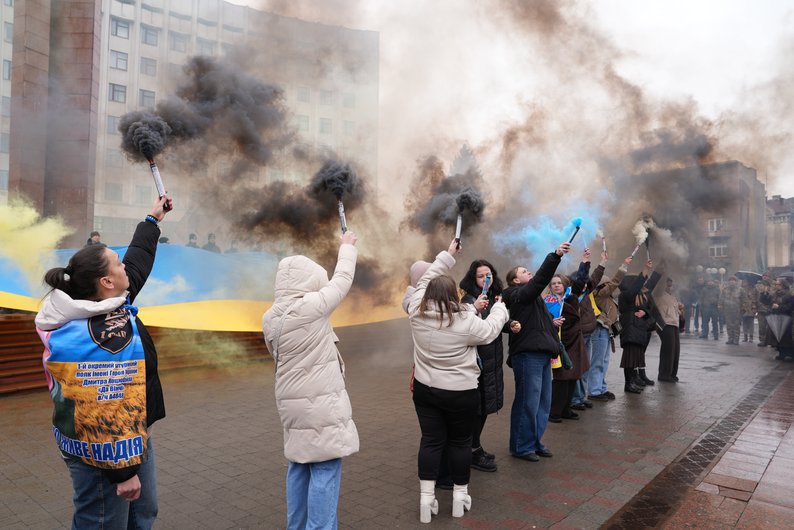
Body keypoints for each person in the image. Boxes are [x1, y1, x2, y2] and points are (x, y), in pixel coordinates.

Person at [35, 196, 171, 530]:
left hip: (131, 437)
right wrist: (122, 473)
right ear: (106, 282)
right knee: (102, 523)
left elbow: (136, 263)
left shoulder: (108, 303)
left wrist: (152, 219)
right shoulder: (90, 336)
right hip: (104, 453)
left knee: (143, 514)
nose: (125, 266)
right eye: (117, 264)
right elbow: (100, 406)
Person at [406, 240, 509, 523]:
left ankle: (427, 500)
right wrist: (500, 309)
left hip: (426, 391)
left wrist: (446, 256)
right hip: (461, 393)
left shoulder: (415, 311)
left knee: (431, 442)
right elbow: (489, 332)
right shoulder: (464, 322)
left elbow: (425, 280)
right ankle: (459, 497)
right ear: (454, 295)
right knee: (460, 443)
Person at [262, 229, 359, 530]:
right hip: (319, 404)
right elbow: (342, 280)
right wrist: (347, 248)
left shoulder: (270, 317)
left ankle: (297, 526)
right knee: (326, 466)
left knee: (300, 465)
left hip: (292, 405)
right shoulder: (312, 308)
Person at [503, 241, 571, 462]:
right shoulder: (517, 294)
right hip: (527, 355)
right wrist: (555, 256)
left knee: (543, 402)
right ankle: (521, 447)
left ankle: (534, 441)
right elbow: (540, 280)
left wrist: (553, 326)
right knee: (528, 402)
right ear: (515, 280)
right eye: (524, 271)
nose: (529, 272)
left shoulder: (534, 299)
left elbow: (541, 325)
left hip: (542, 355)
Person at [459, 259, 520, 473]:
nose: (486, 278)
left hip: (492, 363)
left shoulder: (495, 298)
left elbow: (497, 324)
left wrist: (509, 325)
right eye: (481, 276)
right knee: (477, 410)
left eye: (489, 274)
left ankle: (475, 446)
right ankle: (472, 450)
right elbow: (475, 331)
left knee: (485, 408)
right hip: (478, 365)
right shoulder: (469, 300)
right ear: (472, 279)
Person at [544, 257, 590, 423]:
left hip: (575, 343)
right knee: (561, 379)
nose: (556, 285)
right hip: (559, 343)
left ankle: (566, 409)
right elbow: (542, 320)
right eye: (553, 283)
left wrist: (584, 263)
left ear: (565, 284)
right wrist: (551, 321)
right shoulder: (546, 302)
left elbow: (581, 281)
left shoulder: (571, 297)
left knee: (573, 376)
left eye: (559, 283)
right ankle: (554, 411)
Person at [587, 256, 630, 401]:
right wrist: (623, 267)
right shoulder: (599, 293)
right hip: (599, 329)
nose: (609, 286)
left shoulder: (607, 297)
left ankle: (601, 388)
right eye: (606, 284)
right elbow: (615, 282)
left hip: (605, 330)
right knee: (597, 361)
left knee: (603, 361)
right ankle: (594, 391)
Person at [570, 250, 607, 410]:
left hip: (587, 335)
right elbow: (583, 279)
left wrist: (602, 263)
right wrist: (585, 262)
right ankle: (575, 399)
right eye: (582, 281)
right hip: (578, 337)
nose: (586, 284)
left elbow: (595, 278)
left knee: (585, 367)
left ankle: (581, 396)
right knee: (578, 368)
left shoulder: (586, 292)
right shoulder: (573, 295)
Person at [617, 259, 661, 393]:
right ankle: (628, 384)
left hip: (638, 331)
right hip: (630, 331)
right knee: (629, 359)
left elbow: (647, 307)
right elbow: (636, 288)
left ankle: (633, 381)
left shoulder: (637, 296)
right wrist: (645, 270)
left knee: (635, 358)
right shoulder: (626, 295)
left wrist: (645, 312)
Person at [654, 275, 682, 382]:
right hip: (665, 324)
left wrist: (680, 310)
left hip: (674, 324)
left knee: (675, 350)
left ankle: (672, 373)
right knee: (668, 350)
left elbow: (675, 311)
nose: (670, 285)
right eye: (668, 283)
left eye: (671, 283)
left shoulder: (673, 297)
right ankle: (664, 374)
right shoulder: (658, 294)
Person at [759, 278, 794, 360]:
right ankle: (781, 354)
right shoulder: (774, 294)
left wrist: (779, 307)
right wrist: (764, 293)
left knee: (785, 338)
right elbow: (766, 301)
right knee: (777, 337)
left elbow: (790, 307)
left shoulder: (788, 295)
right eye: (776, 284)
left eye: (778, 284)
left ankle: (788, 354)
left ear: (783, 285)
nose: (776, 286)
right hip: (775, 317)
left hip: (785, 318)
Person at [719, 276, 742, 345]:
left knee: (736, 326)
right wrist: (720, 306)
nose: (732, 281)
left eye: (733, 280)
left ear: (736, 281)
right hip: (727, 310)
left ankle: (736, 339)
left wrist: (743, 309)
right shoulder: (725, 290)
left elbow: (744, 300)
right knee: (729, 325)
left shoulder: (740, 290)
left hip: (737, 310)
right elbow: (721, 299)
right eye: (730, 280)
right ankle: (730, 338)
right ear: (728, 282)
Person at [756, 272, 774, 347]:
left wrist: (769, 291)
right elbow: (756, 296)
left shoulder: (773, 285)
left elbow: (774, 294)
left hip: (771, 308)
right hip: (761, 308)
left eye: (767, 276)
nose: (765, 277)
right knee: (762, 326)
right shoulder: (758, 285)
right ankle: (762, 340)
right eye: (764, 276)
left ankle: (771, 341)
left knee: (771, 326)